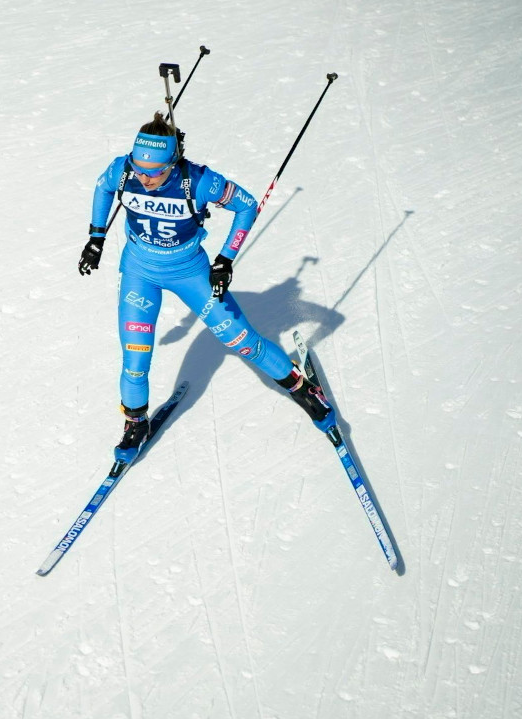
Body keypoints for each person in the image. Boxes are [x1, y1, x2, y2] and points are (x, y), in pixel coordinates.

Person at [78, 112, 335, 461]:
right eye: (139, 169)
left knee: (245, 343)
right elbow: (103, 187)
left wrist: (225, 259)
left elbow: (246, 206)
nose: (144, 178)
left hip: (191, 273)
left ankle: (303, 389)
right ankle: (135, 424)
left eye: (154, 172)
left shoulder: (198, 181)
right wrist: (96, 238)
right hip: (140, 273)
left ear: (172, 163)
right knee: (135, 361)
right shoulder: (122, 171)